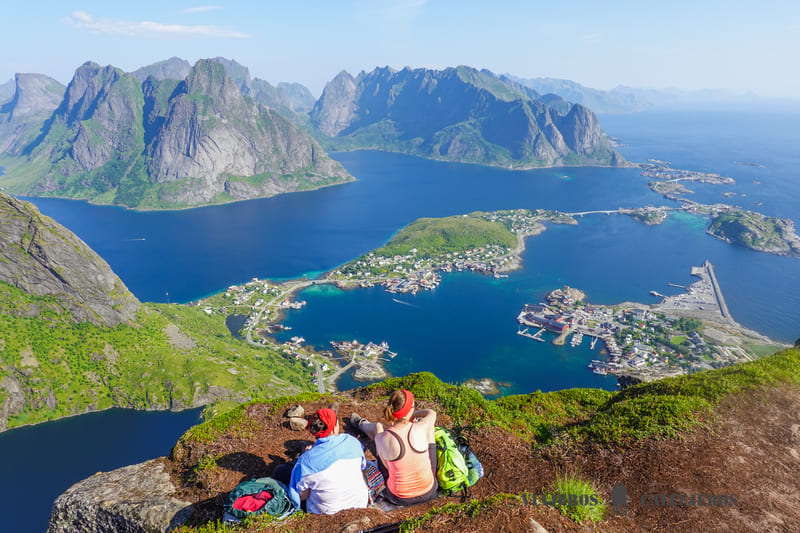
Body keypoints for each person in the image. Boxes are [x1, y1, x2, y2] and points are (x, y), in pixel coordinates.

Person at [351, 389, 438, 506]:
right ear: (410, 410)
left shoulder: (382, 438)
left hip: (399, 498)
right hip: (429, 491)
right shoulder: (423, 427)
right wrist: (413, 416)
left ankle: (360, 424)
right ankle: (431, 475)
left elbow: (385, 468)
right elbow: (431, 413)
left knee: (378, 427)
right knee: (429, 429)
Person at [279, 408, 370, 514]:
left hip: (327, 513)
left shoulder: (305, 462)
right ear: (334, 428)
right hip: (360, 503)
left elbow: (302, 496)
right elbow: (362, 466)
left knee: (281, 471)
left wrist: (306, 455)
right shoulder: (352, 442)